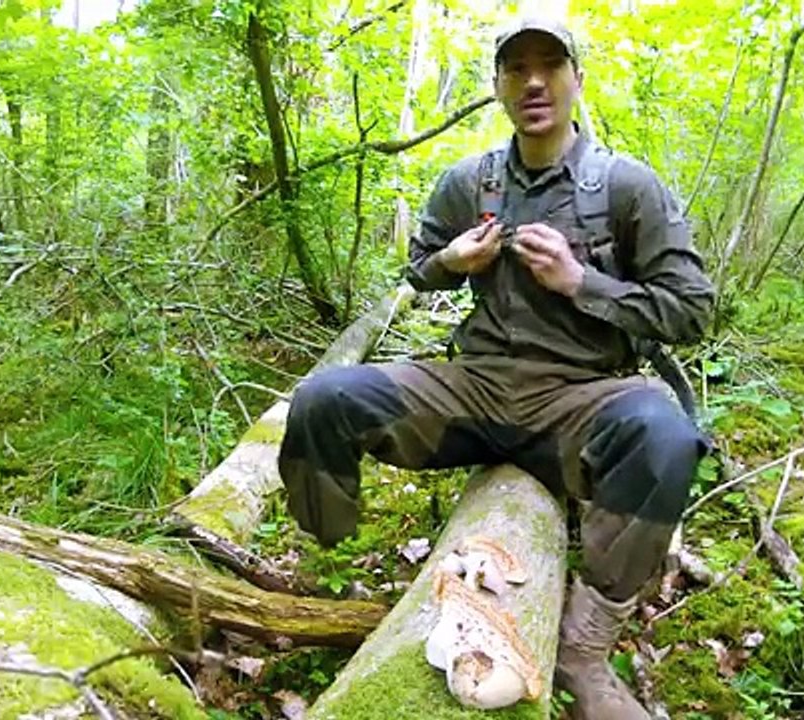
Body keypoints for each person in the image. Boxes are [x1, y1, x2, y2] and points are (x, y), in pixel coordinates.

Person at [278, 16, 715, 720]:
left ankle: (584, 650)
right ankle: (321, 575)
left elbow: (693, 311)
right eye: (517, 68)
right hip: (473, 393)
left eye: (551, 65)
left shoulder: (627, 187)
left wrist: (583, 282)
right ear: (498, 86)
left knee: (666, 438)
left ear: (576, 79)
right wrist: (451, 262)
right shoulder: (468, 181)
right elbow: (418, 268)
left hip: (584, 401)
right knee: (323, 399)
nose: (534, 81)